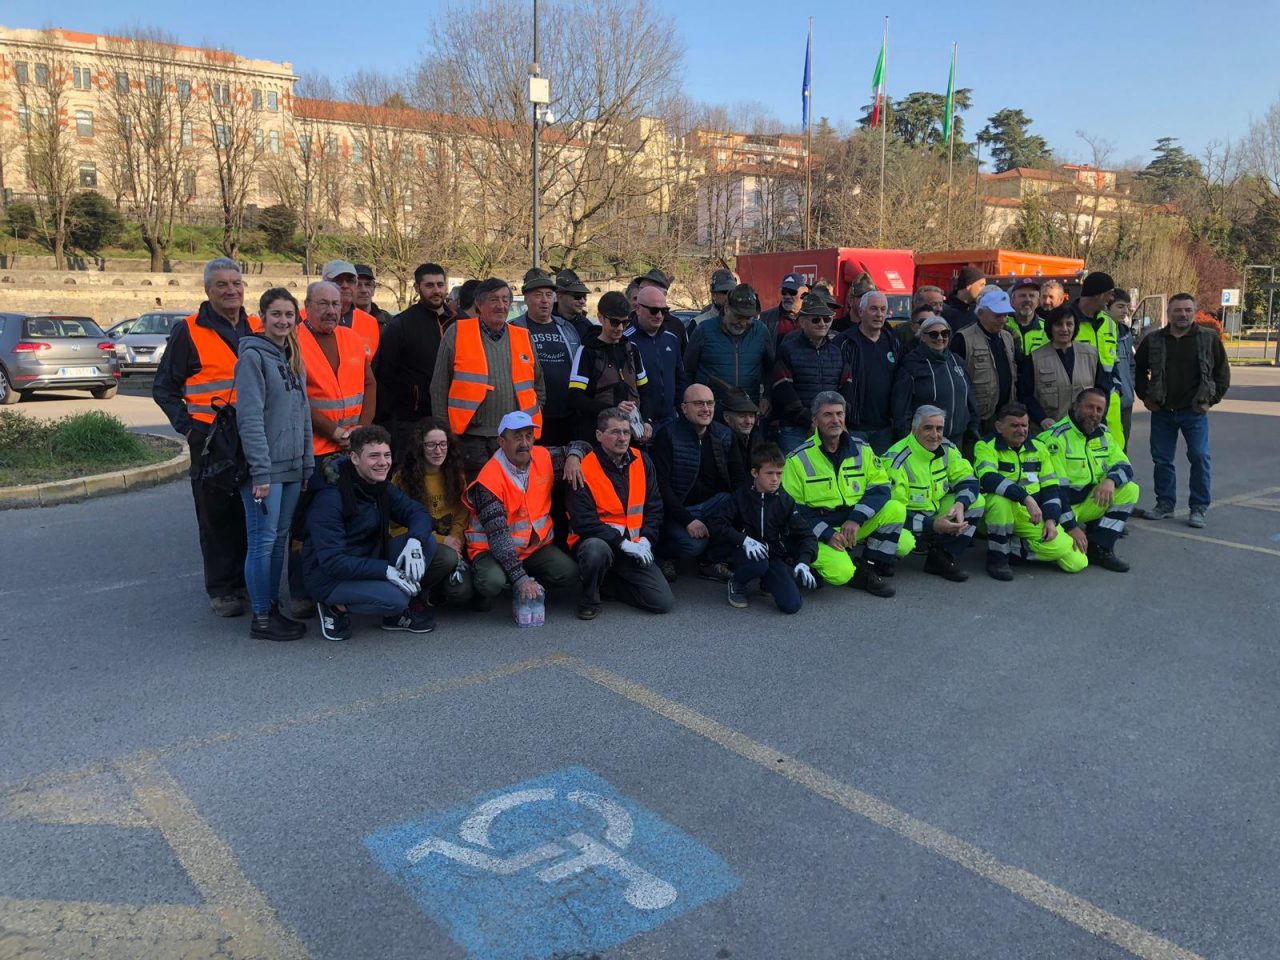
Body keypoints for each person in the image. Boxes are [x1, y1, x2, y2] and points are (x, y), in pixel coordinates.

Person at [153, 257, 255, 617]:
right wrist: (189, 427)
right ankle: (223, 589)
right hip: (212, 439)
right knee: (217, 514)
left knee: (252, 512)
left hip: (252, 435)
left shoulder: (256, 325)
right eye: (222, 285)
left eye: (236, 283)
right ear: (208, 290)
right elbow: (164, 387)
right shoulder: (190, 330)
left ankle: (249, 582)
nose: (231, 290)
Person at [286, 280, 379, 618]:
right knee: (304, 525)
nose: (329, 311)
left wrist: (362, 431)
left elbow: (369, 383)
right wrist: (333, 430)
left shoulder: (352, 338)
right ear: (306, 307)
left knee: (348, 520)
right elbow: (297, 395)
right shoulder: (293, 340)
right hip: (312, 448)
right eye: (322, 304)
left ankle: (339, 586)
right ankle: (301, 591)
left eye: (335, 304)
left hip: (350, 448)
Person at [303, 425, 437, 640]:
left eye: (387, 455)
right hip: (329, 577)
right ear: (354, 458)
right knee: (396, 599)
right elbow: (332, 561)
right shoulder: (330, 497)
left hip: (368, 558)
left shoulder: (378, 485)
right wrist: (386, 571)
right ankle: (334, 607)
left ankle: (391, 616)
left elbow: (417, 512)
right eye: (374, 456)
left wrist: (414, 542)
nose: (383, 462)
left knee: (426, 542)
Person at [233, 288, 312, 640]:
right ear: (261, 317)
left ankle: (273, 608)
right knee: (262, 542)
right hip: (267, 469)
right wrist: (260, 471)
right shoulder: (253, 357)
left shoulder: (293, 356)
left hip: (293, 466)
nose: (283, 321)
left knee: (280, 540)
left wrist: (307, 462)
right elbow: (249, 418)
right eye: (276, 314)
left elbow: (304, 413)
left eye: (288, 315)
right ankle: (262, 617)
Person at [463, 411, 590, 612]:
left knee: (569, 573)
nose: (524, 443)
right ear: (501, 442)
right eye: (517, 437)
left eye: (529, 435)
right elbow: (499, 540)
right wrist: (521, 580)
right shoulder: (489, 480)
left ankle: (525, 581)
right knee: (491, 583)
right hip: (490, 550)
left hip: (532, 549)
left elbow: (583, 445)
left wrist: (574, 457)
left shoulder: (543, 456)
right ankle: (485, 585)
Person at [781, 392, 902, 595]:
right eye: (828, 414)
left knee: (895, 509)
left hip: (851, 524)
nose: (835, 420)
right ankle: (798, 558)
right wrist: (827, 534)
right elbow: (792, 510)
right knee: (841, 574)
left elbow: (881, 488)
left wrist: (856, 519)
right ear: (815, 420)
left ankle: (867, 568)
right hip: (817, 530)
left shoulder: (862, 449)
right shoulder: (797, 459)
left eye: (839, 413)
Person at [431, 278, 546, 477]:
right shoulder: (457, 332)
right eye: (494, 300)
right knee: (475, 498)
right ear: (479, 303)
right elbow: (439, 387)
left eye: (505, 300)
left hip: (515, 438)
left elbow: (539, 387)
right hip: (471, 440)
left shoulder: (523, 336)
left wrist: (527, 422)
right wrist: (444, 433)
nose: (501, 306)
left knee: (513, 496)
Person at [1134, 293, 1230, 528]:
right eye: (1178, 310)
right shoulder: (1154, 339)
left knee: (1199, 457)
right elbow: (1138, 371)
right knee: (1162, 460)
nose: (1183, 314)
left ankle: (1198, 507)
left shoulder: (1208, 338)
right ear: (1169, 313)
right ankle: (1165, 504)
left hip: (1194, 411)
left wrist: (1212, 400)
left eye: (1188, 310)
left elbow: (1222, 373)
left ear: (1194, 311)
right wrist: (1145, 397)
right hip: (1163, 411)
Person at [567, 407, 672, 619]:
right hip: (598, 543)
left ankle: (607, 585)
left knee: (662, 602)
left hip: (634, 544)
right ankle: (589, 600)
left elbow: (654, 506)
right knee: (595, 550)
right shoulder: (582, 468)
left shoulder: (642, 460)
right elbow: (583, 521)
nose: (622, 438)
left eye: (626, 432)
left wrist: (646, 540)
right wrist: (622, 543)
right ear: (599, 435)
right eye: (615, 432)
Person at [973, 403, 1087, 581]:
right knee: (999, 500)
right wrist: (1026, 498)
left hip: (1032, 515)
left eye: (1024, 425)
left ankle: (1014, 548)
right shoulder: (985, 445)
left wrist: (1050, 519)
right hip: (999, 511)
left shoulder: (1039, 447)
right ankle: (997, 559)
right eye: (1014, 425)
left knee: (1077, 562)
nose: (1021, 430)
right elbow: (987, 478)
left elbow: (1051, 487)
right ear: (999, 427)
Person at [650, 383, 746, 582]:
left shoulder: (724, 435)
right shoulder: (668, 436)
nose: (706, 409)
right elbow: (661, 487)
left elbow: (738, 479)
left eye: (710, 403)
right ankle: (663, 555)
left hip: (713, 504)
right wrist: (688, 520)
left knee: (739, 505)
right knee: (693, 545)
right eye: (699, 403)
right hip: (677, 510)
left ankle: (710, 562)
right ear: (684, 408)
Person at [1038, 388, 1138, 572]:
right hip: (1057, 509)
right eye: (1089, 407)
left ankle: (1100, 547)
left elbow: (1125, 466)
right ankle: (1017, 550)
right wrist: (1072, 527)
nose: (1094, 414)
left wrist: (1111, 480)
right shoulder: (1055, 438)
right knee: (1074, 564)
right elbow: (1055, 490)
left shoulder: (1103, 434)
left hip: (1087, 503)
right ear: (1076, 406)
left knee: (1130, 489)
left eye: (1099, 410)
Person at [711, 443, 818, 614]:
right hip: (744, 552)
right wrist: (743, 540)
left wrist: (804, 561)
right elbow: (717, 524)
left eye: (779, 473)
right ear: (755, 473)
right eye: (769, 473)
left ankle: (767, 582)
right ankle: (737, 582)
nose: (775, 479)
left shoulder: (785, 501)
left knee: (792, 605)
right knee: (758, 564)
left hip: (774, 555)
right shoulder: (741, 496)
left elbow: (807, 536)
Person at [883, 406, 985, 582]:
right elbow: (892, 512)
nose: (935, 434)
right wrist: (933, 525)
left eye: (939, 428)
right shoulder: (896, 460)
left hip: (933, 512)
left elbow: (968, 479)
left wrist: (961, 504)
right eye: (928, 428)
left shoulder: (947, 448)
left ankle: (941, 557)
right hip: (904, 520)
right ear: (914, 429)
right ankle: (881, 561)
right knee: (903, 544)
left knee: (976, 502)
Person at [374, 262, 456, 459]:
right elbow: (384, 373)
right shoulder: (401, 325)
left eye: (440, 284)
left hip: (455, 417)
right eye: (429, 285)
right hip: (413, 420)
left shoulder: (459, 321)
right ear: (417, 288)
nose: (436, 291)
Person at [392, 418, 475, 608]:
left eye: (443, 444)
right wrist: (441, 540)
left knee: (461, 593)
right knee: (447, 557)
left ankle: (437, 585)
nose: (438, 451)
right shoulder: (403, 478)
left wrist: (455, 540)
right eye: (431, 445)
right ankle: (415, 591)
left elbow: (462, 516)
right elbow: (395, 527)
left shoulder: (455, 474)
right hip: (416, 545)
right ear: (420, 447)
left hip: (451, 546)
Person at [771, 292, 856, 453]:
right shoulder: (787, 349)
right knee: (794, 475)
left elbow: (847, 388)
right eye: (816, 319)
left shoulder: (837, 352)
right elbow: (783, 391)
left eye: (827, 319)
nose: (822, 323)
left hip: (831, 429)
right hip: (795, 430)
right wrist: (810, 420)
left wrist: (839, 418)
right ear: (802, 322)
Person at [512, 268, 581, 446]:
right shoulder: (513, 329)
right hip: (530, 417)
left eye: (549, 295)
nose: (544, 301)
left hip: (568, 415)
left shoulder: (567, 328)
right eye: (538, 295)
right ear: (526, 298)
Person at [568, 291, 649, 441]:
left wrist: (647, 420)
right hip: (599, 435)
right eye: (614, 322)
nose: (620, 328)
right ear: (600, 317)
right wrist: (612, 408)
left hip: (632, 434)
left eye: (625, 322)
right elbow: (575, 398)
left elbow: (645, 391)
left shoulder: (633, 349)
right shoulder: (587, 351)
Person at [684, 283, 775, 409]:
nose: (743, 323)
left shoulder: (761, 332)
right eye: (738, 316)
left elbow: (771, 369)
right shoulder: (704, 330)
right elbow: (687, 372)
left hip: (748, 412)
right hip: (712, 412)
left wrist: (767, 397)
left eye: (748, 318)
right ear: (726, 308)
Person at [892, 315, 977, 447]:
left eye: (945, 333)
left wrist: (974, 426)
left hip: (957, 438)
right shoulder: (912, 364)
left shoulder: (957, 361)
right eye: (933, 334)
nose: (940, 338)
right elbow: (902, 407)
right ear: (923, 337)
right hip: (925, 440)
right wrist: (905, 437)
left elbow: (970, 397)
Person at [950, 287, 1020, 438]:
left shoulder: (1008, 337)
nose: (1003, 319)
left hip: (1005, 415)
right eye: (997, 315)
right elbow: (955, 382)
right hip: (977, 419)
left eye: (1005, 315)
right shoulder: (963, 338)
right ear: (981, 313)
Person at [836, 291, 899, 453]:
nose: (879, 314)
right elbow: (834, 384)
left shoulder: (893, 342)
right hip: (853, 426)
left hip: (884, 428)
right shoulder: (844, 342)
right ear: (861, 311)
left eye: (883, 309)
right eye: (874, 309)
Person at [1020, 306, 1100, 430]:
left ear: (1075, 327)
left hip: (1084, 428)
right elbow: (1025, 395)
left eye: (1069, 324)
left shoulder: (1091, 355)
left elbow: (1102, 390)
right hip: (1049, 429)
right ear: (1050, 327)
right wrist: (1042, 418)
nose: (1064, 329)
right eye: (1058, 324)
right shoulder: (1035, 358)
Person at [1070, 271, 1124, 445]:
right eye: (1109, 294)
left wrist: (1117, 387)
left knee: (1114, 448)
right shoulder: (1066, 320)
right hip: (1079, 397)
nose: (1111, 299)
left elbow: (1113, 359)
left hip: (1109, 399)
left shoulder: (1108, 322)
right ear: (1099, 294)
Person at [626, 284, 687, 435]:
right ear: (638, 309)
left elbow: (680, 380)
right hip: (638, 424)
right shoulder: (625, 341)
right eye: (654, 310)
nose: (659, 315)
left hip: (670, 421)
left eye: (664, 311)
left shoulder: (671, 340)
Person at [319, 260, 381, 359]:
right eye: (338, 280)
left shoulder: (371, 323)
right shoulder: (302, 318)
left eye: (350, 281)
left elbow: (373, 367)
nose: (345, 285)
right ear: (323, 284)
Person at [632, 268, 689, 353]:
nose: (643, 293)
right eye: (641, 288)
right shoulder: (625, 323)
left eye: (651, 290)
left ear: (664, 294)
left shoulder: (676, 326)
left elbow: (685, 360)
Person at [1108, 289, 1138, 451]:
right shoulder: (1098, 332)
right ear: (1107, 307)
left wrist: (1129, 386)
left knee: (1122, 450)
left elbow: (1131, 365)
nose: (1125, 311)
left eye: (1127, 307)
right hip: (1103, 403)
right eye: (1120, 306)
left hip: (1125, 402)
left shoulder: (1126, 334)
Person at [716, 380, 766, 462]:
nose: (748, 421)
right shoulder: (719, 442)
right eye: (742, 416)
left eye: (752, 416)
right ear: (726, 417)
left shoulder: (756, 439)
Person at [759, 273, 809, 345]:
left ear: (804, 293)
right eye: (784, 292)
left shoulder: (813, 318)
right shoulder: (765, 318)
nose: (787, 296)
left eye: (792, 292)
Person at [1006, 278, 1048, 355]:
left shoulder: (1047, 328)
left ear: (1038, 302)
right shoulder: (1003, 326)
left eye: (1032, 296)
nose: (1027, 299)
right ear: (1012, 301)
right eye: (1022, 296)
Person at [553, 268, 595, 340]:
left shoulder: (587, 326)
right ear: (560, 297)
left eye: (584, 296)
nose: (582, 301)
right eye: (577, 296)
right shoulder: (546, 322)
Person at [942, 266, 985, 331]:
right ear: (968, 285)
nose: (984, 289)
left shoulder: (976, 311)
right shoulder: (945, 312)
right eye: (981, 285)